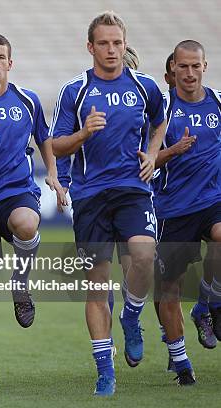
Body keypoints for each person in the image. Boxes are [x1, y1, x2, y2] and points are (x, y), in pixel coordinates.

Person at [50, 11, 167, 396]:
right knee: (96, 285)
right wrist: (84, 132)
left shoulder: (144, 86)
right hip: (89, 196)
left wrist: (152, 153)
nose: (112, 49)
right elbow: (56, 145)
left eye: (117, 42)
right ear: (91, 47)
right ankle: (105, 370)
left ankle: (131, 315)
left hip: (132, 189)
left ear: (124, 43)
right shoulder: (75, 91)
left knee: (144, 255)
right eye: (104, 43)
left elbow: (159, 121)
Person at [0, 33, 66, 390]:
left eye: (0, 57)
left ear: (10, 63)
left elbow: (45, 139)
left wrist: (53, 174)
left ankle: (21, 282)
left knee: (27, 223)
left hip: (15, 192)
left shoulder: (27, 100)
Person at [155, 40, 221, 386]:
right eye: (184, 66)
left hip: (213, 199)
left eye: (196, 66)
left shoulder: (218, 103)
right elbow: (146, 160)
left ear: (205, 67)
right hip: (173, 208)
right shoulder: (162, 109)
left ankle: (208, 301)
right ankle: (181, 363)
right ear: (173, 69)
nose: (190, 73)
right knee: (169, 289)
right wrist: (173, 151)